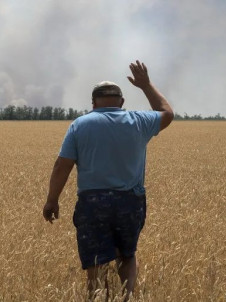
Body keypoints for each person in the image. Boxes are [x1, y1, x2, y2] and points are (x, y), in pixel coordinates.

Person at [42, 60, 173, 300]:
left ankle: (97, 296)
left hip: (92, 203)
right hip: (131, 202)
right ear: (122, 102)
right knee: (127, 254)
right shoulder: (139, 121)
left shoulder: (80, 125)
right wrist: (145, 85)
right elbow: (167, 113)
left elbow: (63, 165)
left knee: (95, 262)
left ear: (93, 103)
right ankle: (127, 296)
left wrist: (52, 200)